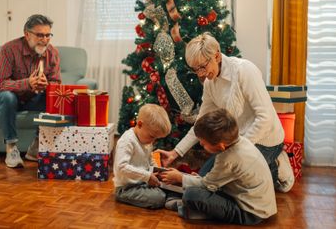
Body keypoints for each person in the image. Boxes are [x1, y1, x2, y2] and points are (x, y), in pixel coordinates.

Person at [158, 32, 294, 192]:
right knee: (207, 179)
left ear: (216, 56)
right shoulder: (210, 83)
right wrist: (175, 153)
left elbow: (266, 118)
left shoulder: (245, 71)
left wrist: (239, 149)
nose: (201, 74)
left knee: (232, 187)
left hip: (265, 139)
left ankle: (275, 166)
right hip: (235, 142)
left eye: (203, 67)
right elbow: (200, 123)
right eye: (196, 69)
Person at [160, 109, 277, 225]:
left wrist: (180, 178)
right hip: (260, 205)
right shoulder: (242, 141)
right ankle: (194, 209)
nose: (200, 144)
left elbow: (206, 185)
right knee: (200, 182)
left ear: (220, 146)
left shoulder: (228, 158)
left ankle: (191, 211)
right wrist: (200, 180)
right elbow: (215, 181)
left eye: (203, 143)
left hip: (249, 212)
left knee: (191, 194)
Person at [0, 14, 61, 168]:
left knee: (55, 96)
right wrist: (27, 83)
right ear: (27, 34)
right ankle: (11, 148)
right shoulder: (9, 49)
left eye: (48, 35)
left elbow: (56, 83)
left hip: (30, 99)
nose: (45, 39)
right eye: (40, 35)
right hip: (3, 98)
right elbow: (0, 84)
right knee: (8, 97)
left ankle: (36, 146)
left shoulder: (52, 53)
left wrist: (47, 85)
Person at [113, 104, 172, 209]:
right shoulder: (127, 141)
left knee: (168, 188)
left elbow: (150, 159)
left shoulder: (146, 141)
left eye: (156, 139)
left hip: (142, 183)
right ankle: (168, 200)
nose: (153, 141)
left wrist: (158, 171)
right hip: (127, 188)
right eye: (152, 137)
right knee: (158, 198)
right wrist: (147, 176)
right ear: (140, 124)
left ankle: (170, 198)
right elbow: (121, 167)